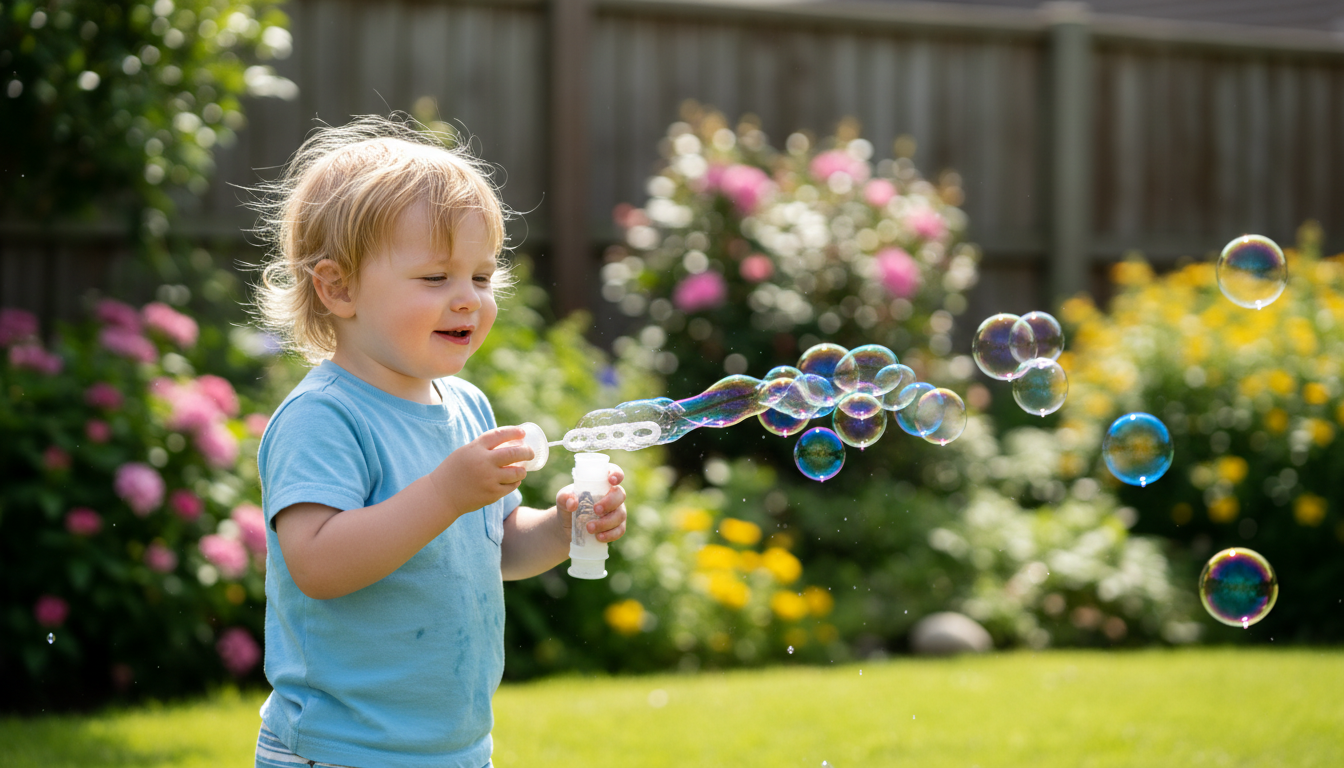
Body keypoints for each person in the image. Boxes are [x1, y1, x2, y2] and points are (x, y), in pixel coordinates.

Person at [249, 116, 628, 768]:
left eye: (481, 278)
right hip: (342, 749)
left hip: (452, 748)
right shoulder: (324, 417)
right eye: (435, 279)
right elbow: (318, 565)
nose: (468, 301)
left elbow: (496, 546)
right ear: (338, 288)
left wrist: (561, 527)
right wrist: (445, 493)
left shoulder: (468, 406)